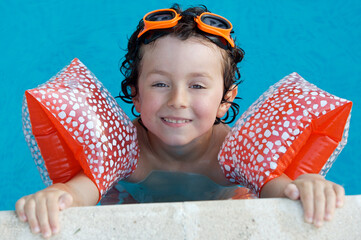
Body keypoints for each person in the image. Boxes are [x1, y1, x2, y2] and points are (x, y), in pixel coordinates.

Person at [16, 4, 345, 238]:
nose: (177, 100)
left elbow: (279, 190)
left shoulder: (237, 152)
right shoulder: (124, 150)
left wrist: (301, 187)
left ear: (225, 100)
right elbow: (79, 193)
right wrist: (57, 195)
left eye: (198, 86)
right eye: (160, 83)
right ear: (135, 94)